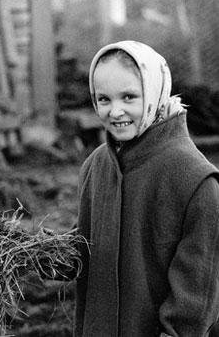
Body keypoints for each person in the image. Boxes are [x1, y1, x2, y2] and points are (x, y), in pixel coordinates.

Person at [74, 40, 219, 337]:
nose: (115, 112)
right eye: (103, 99)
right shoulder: (94, 167)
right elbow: (85, 248)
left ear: (155, 92)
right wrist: (52, 253)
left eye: (129, 97)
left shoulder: (197, 181)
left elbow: (197, 292)